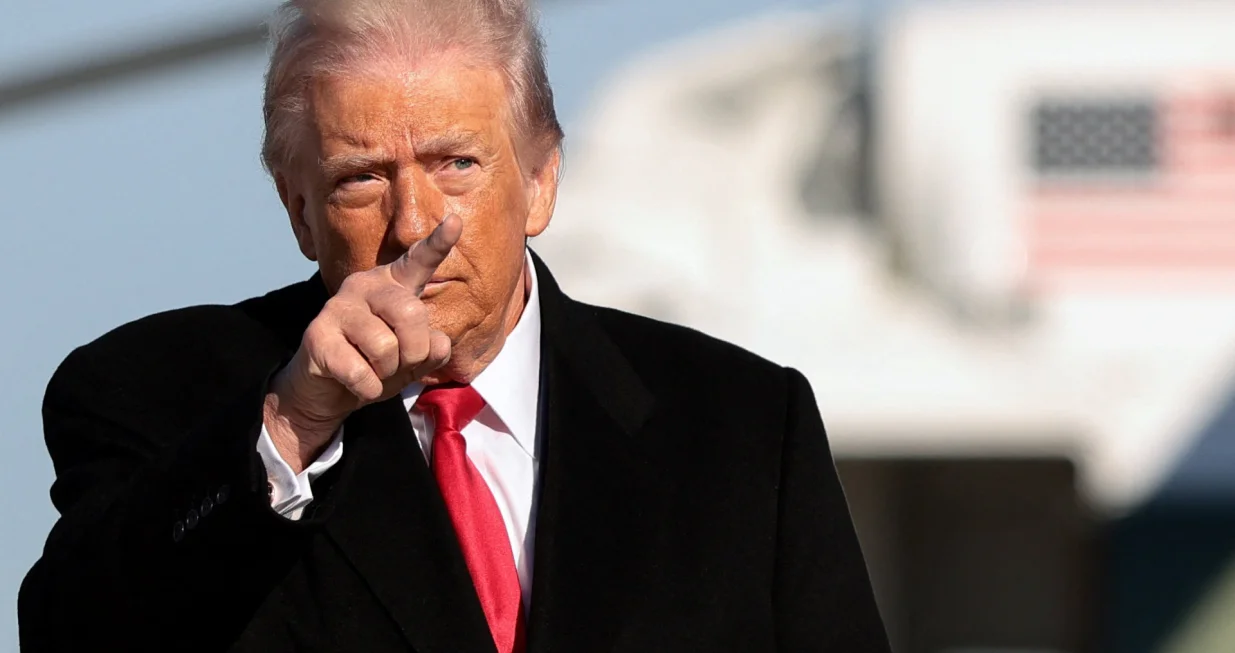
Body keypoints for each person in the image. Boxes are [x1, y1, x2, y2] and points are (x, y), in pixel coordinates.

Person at [18, 1, 890, 651]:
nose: (411, 223)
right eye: (361, 178)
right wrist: (289, 426)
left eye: (456, 164)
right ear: (299, 212)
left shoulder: (738, 425)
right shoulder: (157, 394)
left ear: (541, 181)